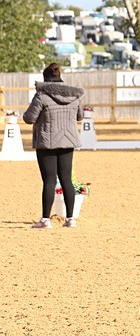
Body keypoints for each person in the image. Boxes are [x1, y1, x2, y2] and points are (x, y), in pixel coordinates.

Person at [22, 63, 85, 229]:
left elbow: (29, 118)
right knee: (66, 179)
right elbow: (80, 116)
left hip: (47, 142)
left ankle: (45, 220)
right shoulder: (74, 95)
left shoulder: (41, 95)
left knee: (49, 181)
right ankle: (71, 219)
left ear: (46, 78)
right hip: (68, 141)